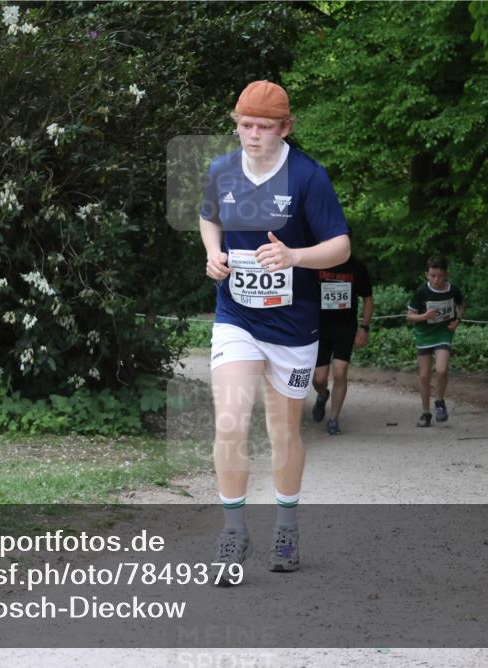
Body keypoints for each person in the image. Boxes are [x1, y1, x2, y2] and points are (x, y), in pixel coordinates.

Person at [200, 80, 350, 580]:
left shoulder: (308, 177)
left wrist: (293, 256)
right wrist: (212, 254)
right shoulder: (222, 171)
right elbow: (208, 218)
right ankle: (233, 532)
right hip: (237, 316)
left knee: (283, 431)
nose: (253, 135)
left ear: (285, 127)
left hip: (293, 325)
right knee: (231, 420)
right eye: (245, 125)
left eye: (264, 127)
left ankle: (286, 529)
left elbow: (341, 247)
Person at [311, 255, 374, 435]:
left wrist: (364, 328)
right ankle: (323, 395)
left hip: (345, 327)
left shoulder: (356, 267)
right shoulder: (316, 262)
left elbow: (368, 298)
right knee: (319, 379)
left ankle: (333, 419)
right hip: (320, 326)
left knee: (340, 372)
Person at [406, 255, 463, 427]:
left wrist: (457, 321)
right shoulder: (421, 291)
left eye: (440, 276)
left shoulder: (453, 290)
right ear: (426, 274)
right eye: (432, 275)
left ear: (446, 274)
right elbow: (409, 316)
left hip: (443, 334)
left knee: (441, 369)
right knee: (424, 376)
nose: (436, 280)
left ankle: (439, 401)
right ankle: (425, 413)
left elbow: (461, 306)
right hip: (424, 335)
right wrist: (424, 316)